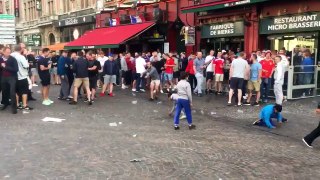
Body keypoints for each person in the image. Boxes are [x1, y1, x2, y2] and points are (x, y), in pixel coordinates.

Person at [12, 44, 33, 111]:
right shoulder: (21, 57)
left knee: (16, 91)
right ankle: (24, 105)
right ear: (21, 49)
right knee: (24, 92)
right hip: (22, 76)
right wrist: (28, 64)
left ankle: (17, 105)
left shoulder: (11, 56)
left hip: (13, 77)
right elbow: (26, 65)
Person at [0, 47, 19, 114]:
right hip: (3, 77)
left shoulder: (13, 59)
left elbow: (16, 69)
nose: (8, 53)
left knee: (12, 93)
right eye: (7, 52)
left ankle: (14, 108)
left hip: (12, 78)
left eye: (9, 52)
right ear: (4, 52)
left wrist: (6, 67)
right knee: (4, 92)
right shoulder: (1, 59)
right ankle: (5, 104)